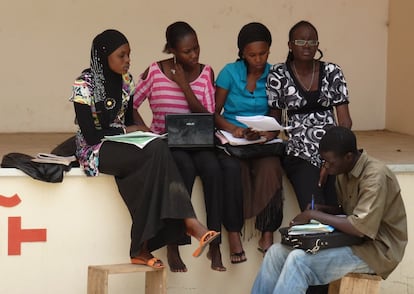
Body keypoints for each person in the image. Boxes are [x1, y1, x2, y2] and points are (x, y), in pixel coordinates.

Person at [69, 29, 219, 269]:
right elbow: (90, 135)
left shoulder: (126, 81)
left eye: (129, 54)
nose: (128, 60)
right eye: (122, 56)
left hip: (123, 145)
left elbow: (128, 120)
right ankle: (186, 222)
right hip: (94, 150)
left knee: (158, 146)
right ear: (103, 56)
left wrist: (140, 132)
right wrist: (127, 132)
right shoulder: (83, 84)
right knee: (157, 152)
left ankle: (145, 246)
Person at [251, 126, 408, 294]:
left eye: (330, 162)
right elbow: (346, 211)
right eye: (323, 161)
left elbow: (359, 227)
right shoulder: (344, 170)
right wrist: (323, 209)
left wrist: (314, 214)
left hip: (377, 251)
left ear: (348, 157)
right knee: (276, 253)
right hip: (351, 241)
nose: (326, 166)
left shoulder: (375, 177)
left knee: (299, 261)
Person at [132, 22, 225, 272]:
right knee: (182, 167)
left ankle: (215, 244)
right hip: (169, 142)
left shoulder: (206, 73)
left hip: (199, 141)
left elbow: (207, 113)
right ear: (172, 50)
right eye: (187, 51)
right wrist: (146, 132)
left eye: (196, 48)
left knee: (214, 170)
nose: (194, 55)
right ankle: (174, 243)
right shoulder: (154, 72)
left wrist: (184, 85)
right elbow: (130, 103)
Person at [214, 22, 283, 264]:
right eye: (252, 55)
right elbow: (215, 113)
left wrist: (268, 134)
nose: (258, 59)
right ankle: (234, 234)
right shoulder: (229, 73)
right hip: (233, 138)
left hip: (262, 140)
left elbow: (276, 114)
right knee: (232, 170)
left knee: (271, 167)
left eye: (263, 54)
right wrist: (236, 130)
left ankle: (267, 233)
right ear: (242, 53)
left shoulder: (275, 74)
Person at [267, 20, 352, 212]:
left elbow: (345, 121)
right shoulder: (278, 73)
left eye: (312, 42)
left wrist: (331, 159)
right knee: (313, 209)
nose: (307, 45)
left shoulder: (332, 71)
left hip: (333, 151)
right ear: (290, 45)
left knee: (337, 208)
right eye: (300, 41)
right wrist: (258, 134)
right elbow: (275, 119)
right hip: (300, 152)